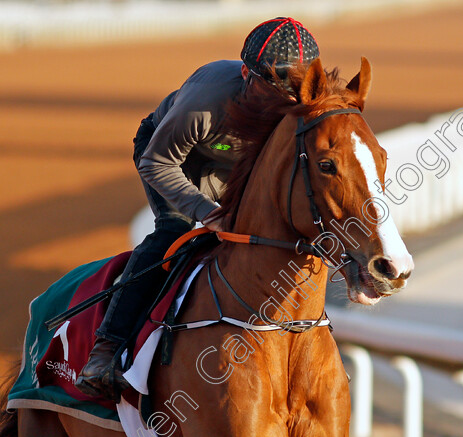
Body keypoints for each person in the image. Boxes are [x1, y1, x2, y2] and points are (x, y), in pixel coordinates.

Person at [75, 17, 321, 400]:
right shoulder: (205, 103)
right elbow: (157, 163)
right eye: (275, 90)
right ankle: (106, 350)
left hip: (232, 165)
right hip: (171, 157)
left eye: (294, 93)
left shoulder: (299, 102)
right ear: (246, 74)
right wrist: (209, 213)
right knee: (174, 232)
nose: (285, 104)